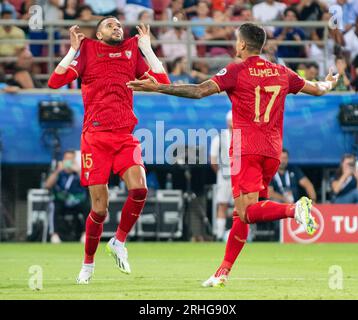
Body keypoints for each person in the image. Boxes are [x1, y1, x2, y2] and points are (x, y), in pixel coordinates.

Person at [127, 22, 339, 288]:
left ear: (241, 45)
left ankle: (295, 209)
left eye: (235, 41)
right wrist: (330, 82)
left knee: (246, 212)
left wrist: (157, 88)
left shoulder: (237, 70)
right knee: (242, 215)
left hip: (245, 149)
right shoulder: (282, 72)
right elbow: (317, 89)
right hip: (272, 152)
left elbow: (199, 91)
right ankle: (222, 272)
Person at [47, 18, 170, 284]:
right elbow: (55, 82)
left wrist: (147, 49)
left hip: (125, 136)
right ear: (99, 33)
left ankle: (119, 241)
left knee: (140, 190)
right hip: (95, 138)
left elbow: (162, 81)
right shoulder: (89, 50)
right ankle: (87, 265)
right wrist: (72, 51)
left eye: (118, 25)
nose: (116, 27)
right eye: (109, 25)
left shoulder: (130, 51)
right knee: (100, 210)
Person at [44, 150, 89, 244]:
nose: (68, 161)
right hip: (62, 201)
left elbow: (87, 185)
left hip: (77, 201)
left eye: (70, 159)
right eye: (66, 159)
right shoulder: (59, 172)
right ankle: (54, 235)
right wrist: (57, 171)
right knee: (53, 205)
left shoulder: (79, 171)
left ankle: (86, 234)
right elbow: (47, 185)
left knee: (87, 206)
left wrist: (78, 171)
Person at [210, 111, 233, 241]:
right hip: (224, 176)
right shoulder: (219, 138)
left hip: (240, 176)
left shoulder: (243, 136)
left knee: (241, 206)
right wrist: (221, 172)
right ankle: (219, 234)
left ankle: (240, 234)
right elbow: (213, 159)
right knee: (222, 204)